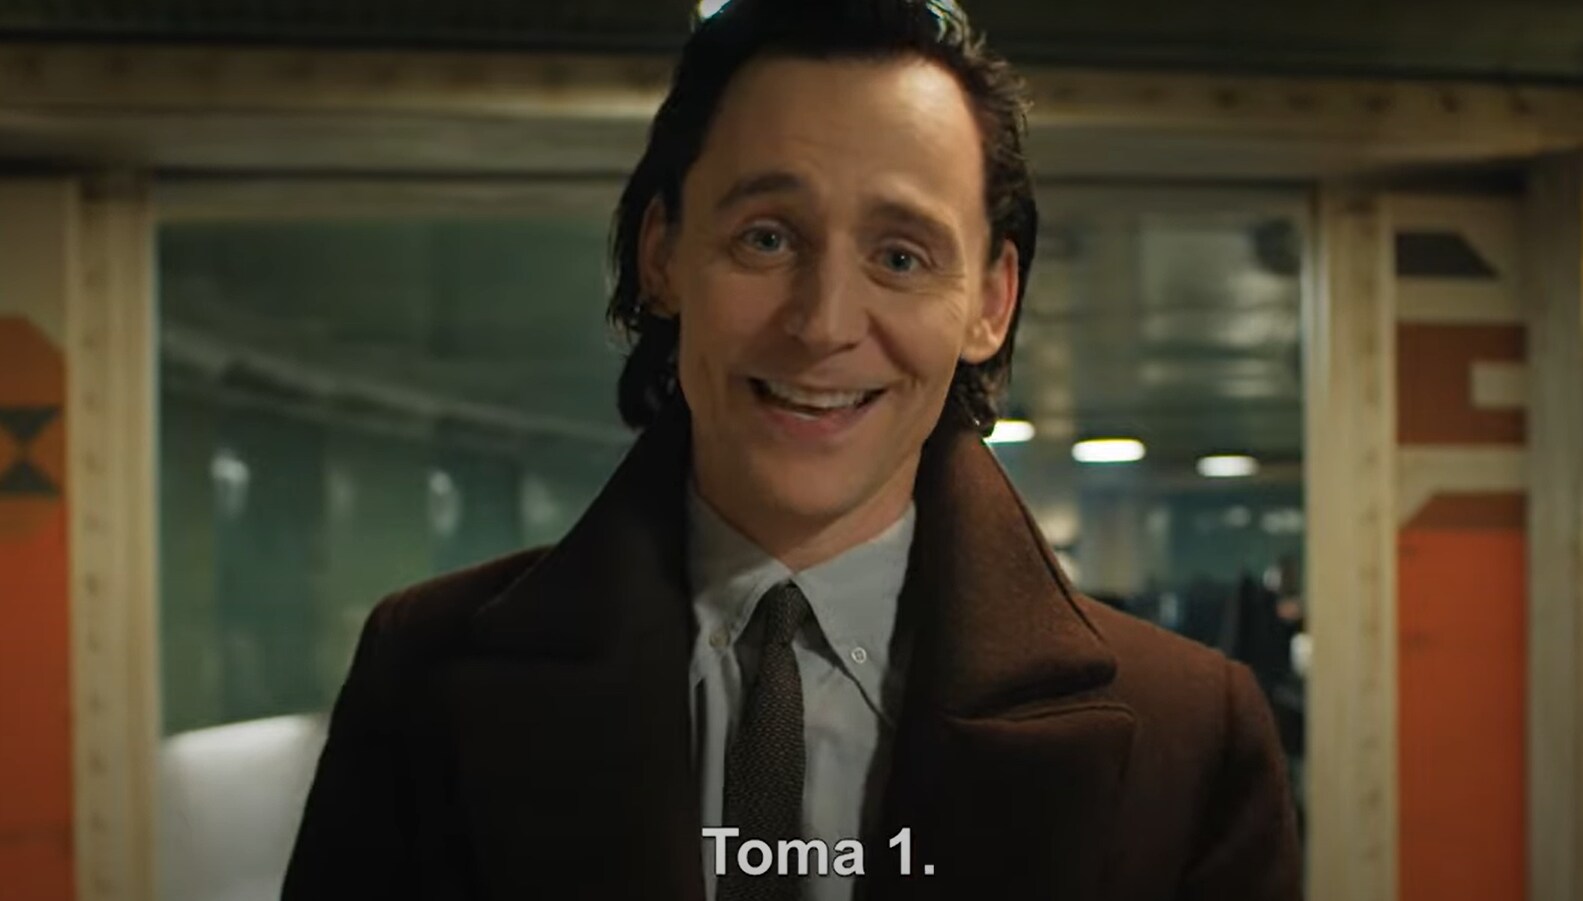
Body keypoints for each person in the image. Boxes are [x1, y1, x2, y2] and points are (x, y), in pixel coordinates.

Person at [282, 0, 1302, 898]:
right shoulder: (424, 672)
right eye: (766, 237)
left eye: (900, 255)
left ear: (991, 302)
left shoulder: (1188, 731)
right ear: (661, 254)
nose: (822, 324)